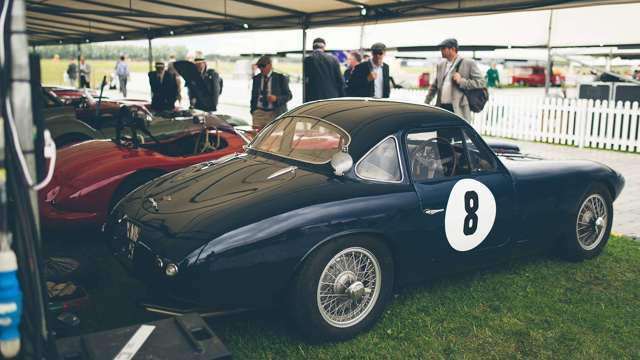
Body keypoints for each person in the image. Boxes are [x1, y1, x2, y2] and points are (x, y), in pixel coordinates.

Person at [425, 38, 486, 122]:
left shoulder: (468, 63)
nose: (441, 50)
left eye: (443, 48)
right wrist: (426, 103)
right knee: (442, 134)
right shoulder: (441, 65)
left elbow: (481, 83)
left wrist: (461, 81)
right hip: (441, 108)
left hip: (458, 109)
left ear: (452, 49)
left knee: (457, 134)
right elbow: (434, 86)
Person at [250, 55, 293, 130]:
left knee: (273, 138)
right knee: (256, 138)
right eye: (259, 66)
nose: (261, 69)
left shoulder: (280, 78)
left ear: (270, 65)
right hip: (258, 113)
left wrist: (277, 99)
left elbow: (289, 95)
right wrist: (253, 111)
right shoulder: (257, 78)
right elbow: (253, 96)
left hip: (274, 113)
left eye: (263, 66)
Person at [303, 37, 345, 102]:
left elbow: (306, 81)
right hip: (332, 97)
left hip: (314, 98)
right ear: (324, 47)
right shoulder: (334, 59)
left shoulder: (308, 60)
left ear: (313, 47)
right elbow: (340, 80)